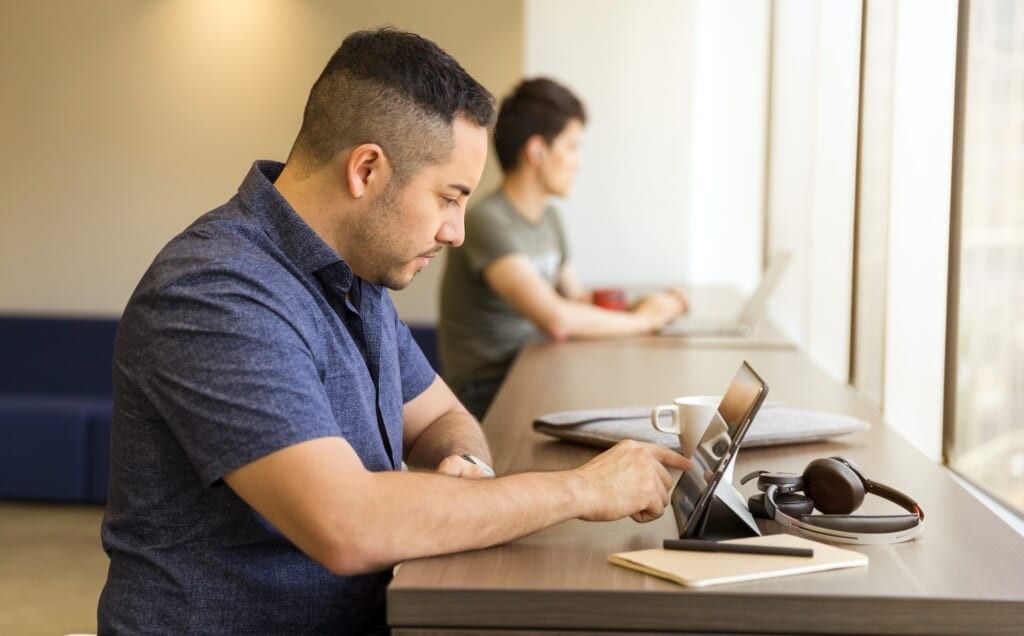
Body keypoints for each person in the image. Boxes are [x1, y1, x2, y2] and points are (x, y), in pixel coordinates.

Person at [97, 29, 690, 635]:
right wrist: (580, 491)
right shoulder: (214, 292)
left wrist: (466, 469)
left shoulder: (357, 277)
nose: (456, 232)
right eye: (449, 198)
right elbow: (347, 525)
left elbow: (440, 418)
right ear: (367, 170)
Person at [440, 78, 687, 420]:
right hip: (491, 389)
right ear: (537, 152)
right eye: (572, 147)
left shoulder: (549, 219)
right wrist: (644, 321)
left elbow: (576, 299)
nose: (578, 162)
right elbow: (557, 319)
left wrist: (643, 304)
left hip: (536, 365)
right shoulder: (487, 221)